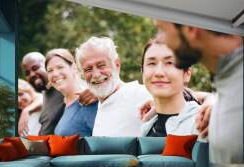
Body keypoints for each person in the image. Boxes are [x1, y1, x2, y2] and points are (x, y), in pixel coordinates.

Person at [75, 36, 206, 137]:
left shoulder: (136, 93)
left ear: (117, 65)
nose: (96, 74)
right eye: (88, 69)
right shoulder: (100, 103)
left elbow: (187, 96)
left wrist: (212, 100)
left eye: (101, 65)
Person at [154, 20, 243, 163]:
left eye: (162, 29)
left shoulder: (236, 108)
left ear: (190, 28)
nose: (159, 39)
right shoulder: (231, 79)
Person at [21, 52, 97, 135]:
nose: (31, 74)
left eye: (35, 68)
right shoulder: (47, 94)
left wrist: (97, 92)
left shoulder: (63, 87)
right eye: (27, 73)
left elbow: (79, 85)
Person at [139, 40, 201, 137]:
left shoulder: (202, 124)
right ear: (142, 72)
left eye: (169, 63)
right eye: (151, 63)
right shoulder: (147, 129)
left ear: (187, 73)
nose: (159, 72)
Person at [45, 49, 98, 136]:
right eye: (50, 70)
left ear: (74, 68)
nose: (55, 74)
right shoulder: (65, 103)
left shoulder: (89, 100)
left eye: (60, 67)